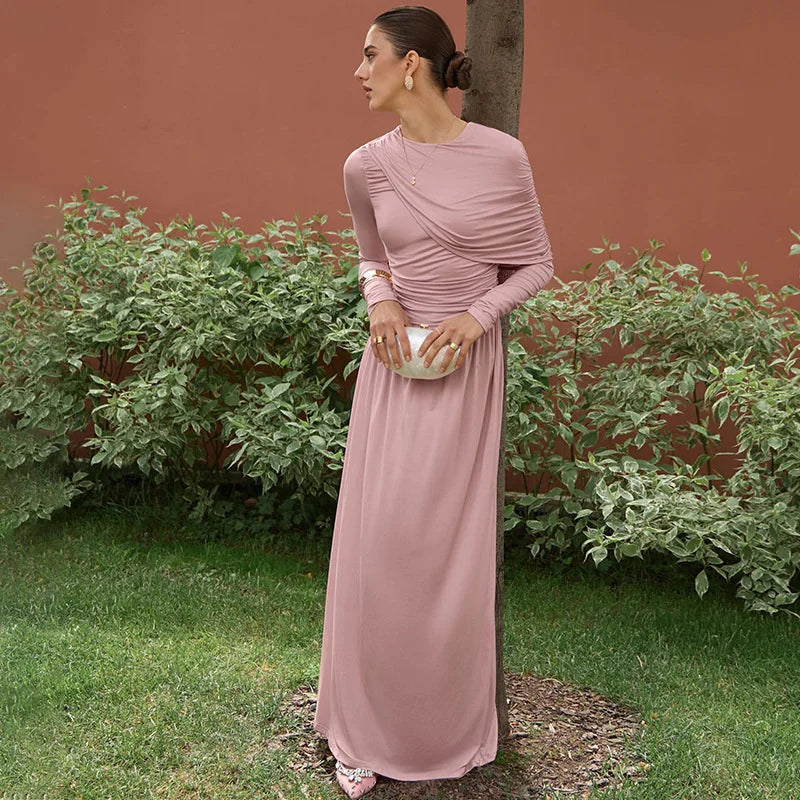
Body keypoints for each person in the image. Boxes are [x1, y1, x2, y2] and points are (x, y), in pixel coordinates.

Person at [313, 6, 554, 797]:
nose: (359, 72)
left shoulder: (502, 157)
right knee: (379, 547)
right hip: (391, 372)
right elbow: (371, 257)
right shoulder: (364, 165)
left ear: (411, 64)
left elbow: (535, 265)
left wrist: (475, 317)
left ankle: (442, 728)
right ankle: (361, 727)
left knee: (447, 563)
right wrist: (380, 302)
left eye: (369, 55)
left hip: (464, 377)